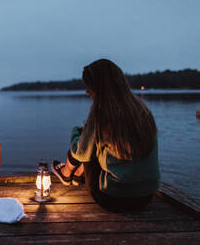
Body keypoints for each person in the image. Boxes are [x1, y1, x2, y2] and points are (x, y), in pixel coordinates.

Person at [52, 59, 160, 212]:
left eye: (88, 86)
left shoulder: (100, 112)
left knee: (83, 141)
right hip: (147, 196)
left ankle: (66, 173)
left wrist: (75, 132)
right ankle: (74, 175)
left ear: (97, 86)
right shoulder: (142, 110)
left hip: (113, 198)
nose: (87, 91)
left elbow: (81, 152)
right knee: (91, 140)